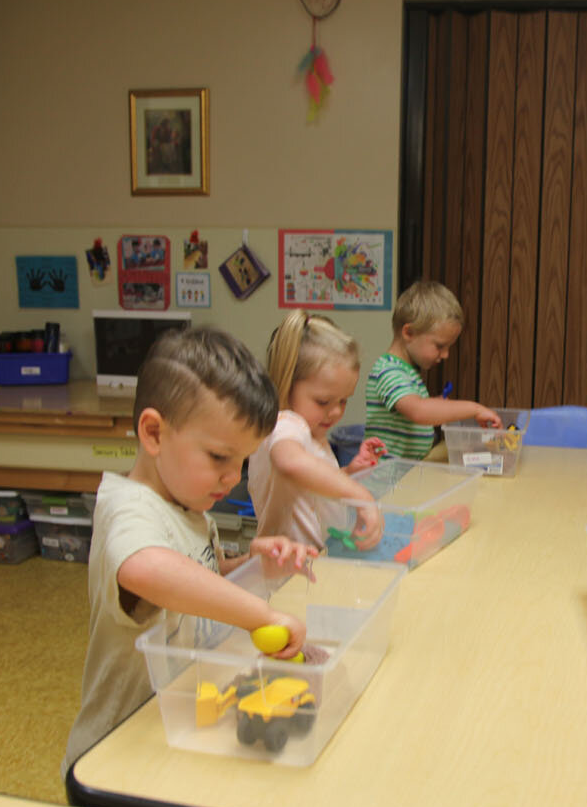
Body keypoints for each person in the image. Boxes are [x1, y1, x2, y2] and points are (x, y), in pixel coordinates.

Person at [62, 327, 318, 774]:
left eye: (241, 462)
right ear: (154, 433)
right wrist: (261, 616)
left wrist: (255, 566)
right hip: (118, 751)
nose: (232, 477)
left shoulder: (184, 503)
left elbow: (199, 574)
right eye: (219, 457)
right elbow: (147, 570)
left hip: (174, 728)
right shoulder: (130, 508)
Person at [249, 310, 386, 551]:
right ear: (287, 382)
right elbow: (290, 463)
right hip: (288, 575)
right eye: (323, 402)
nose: (335, 412)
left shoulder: (312, 433)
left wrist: (349, 472)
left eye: (343, 401)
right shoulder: (286, 424)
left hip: (316, 562)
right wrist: (361, 497)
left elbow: (312, 493)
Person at [365, 281, 501, 460]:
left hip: (406, 473)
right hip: (386, 480)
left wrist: (435, 403)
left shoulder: (406, 371)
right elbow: (418, 411)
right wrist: (474, 409)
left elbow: (414, 407)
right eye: (440, 346)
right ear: (409, 332)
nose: (445, 355)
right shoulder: (388, 371)